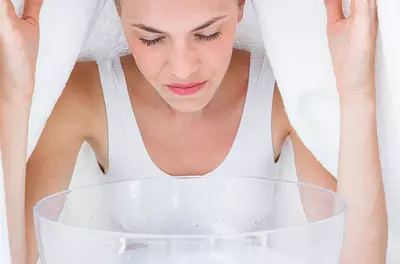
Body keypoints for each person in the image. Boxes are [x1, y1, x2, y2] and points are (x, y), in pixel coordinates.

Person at [0, 0, 388, 263]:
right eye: (151, 38)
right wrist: (14, 96)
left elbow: (353, 256)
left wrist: (357, 92)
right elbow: (19, 253)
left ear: (240, 7)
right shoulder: (85, 97)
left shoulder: (280, 94)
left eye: (207, 34)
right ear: (118, 14)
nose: (183, 69)